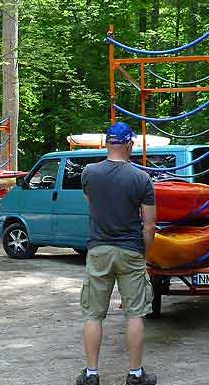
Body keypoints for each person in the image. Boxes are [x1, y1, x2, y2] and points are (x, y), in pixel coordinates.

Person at [77, 122, 157, 385]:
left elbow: (92, 204)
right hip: (130, 250)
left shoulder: (89, 173)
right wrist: (145, 253)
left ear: (107, 144)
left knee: (93, 314)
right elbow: (150, 224)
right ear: (130, 145)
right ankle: (135, 374)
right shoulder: (141, 178)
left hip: (99, 249)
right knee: (135, 314)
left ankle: (91, 374)